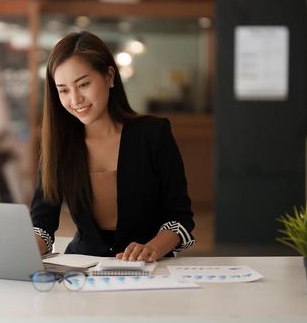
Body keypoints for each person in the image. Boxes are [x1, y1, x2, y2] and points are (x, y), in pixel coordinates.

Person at [31, 31, 195, 262]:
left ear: (109, 76)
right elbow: (42, 225)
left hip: (148, 268)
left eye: (84, 84)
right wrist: (24, 250)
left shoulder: (153, 134)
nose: (75, 99)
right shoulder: (59, 146)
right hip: (82, 269)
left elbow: (180, 219)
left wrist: (153, 248)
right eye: (64, 90)